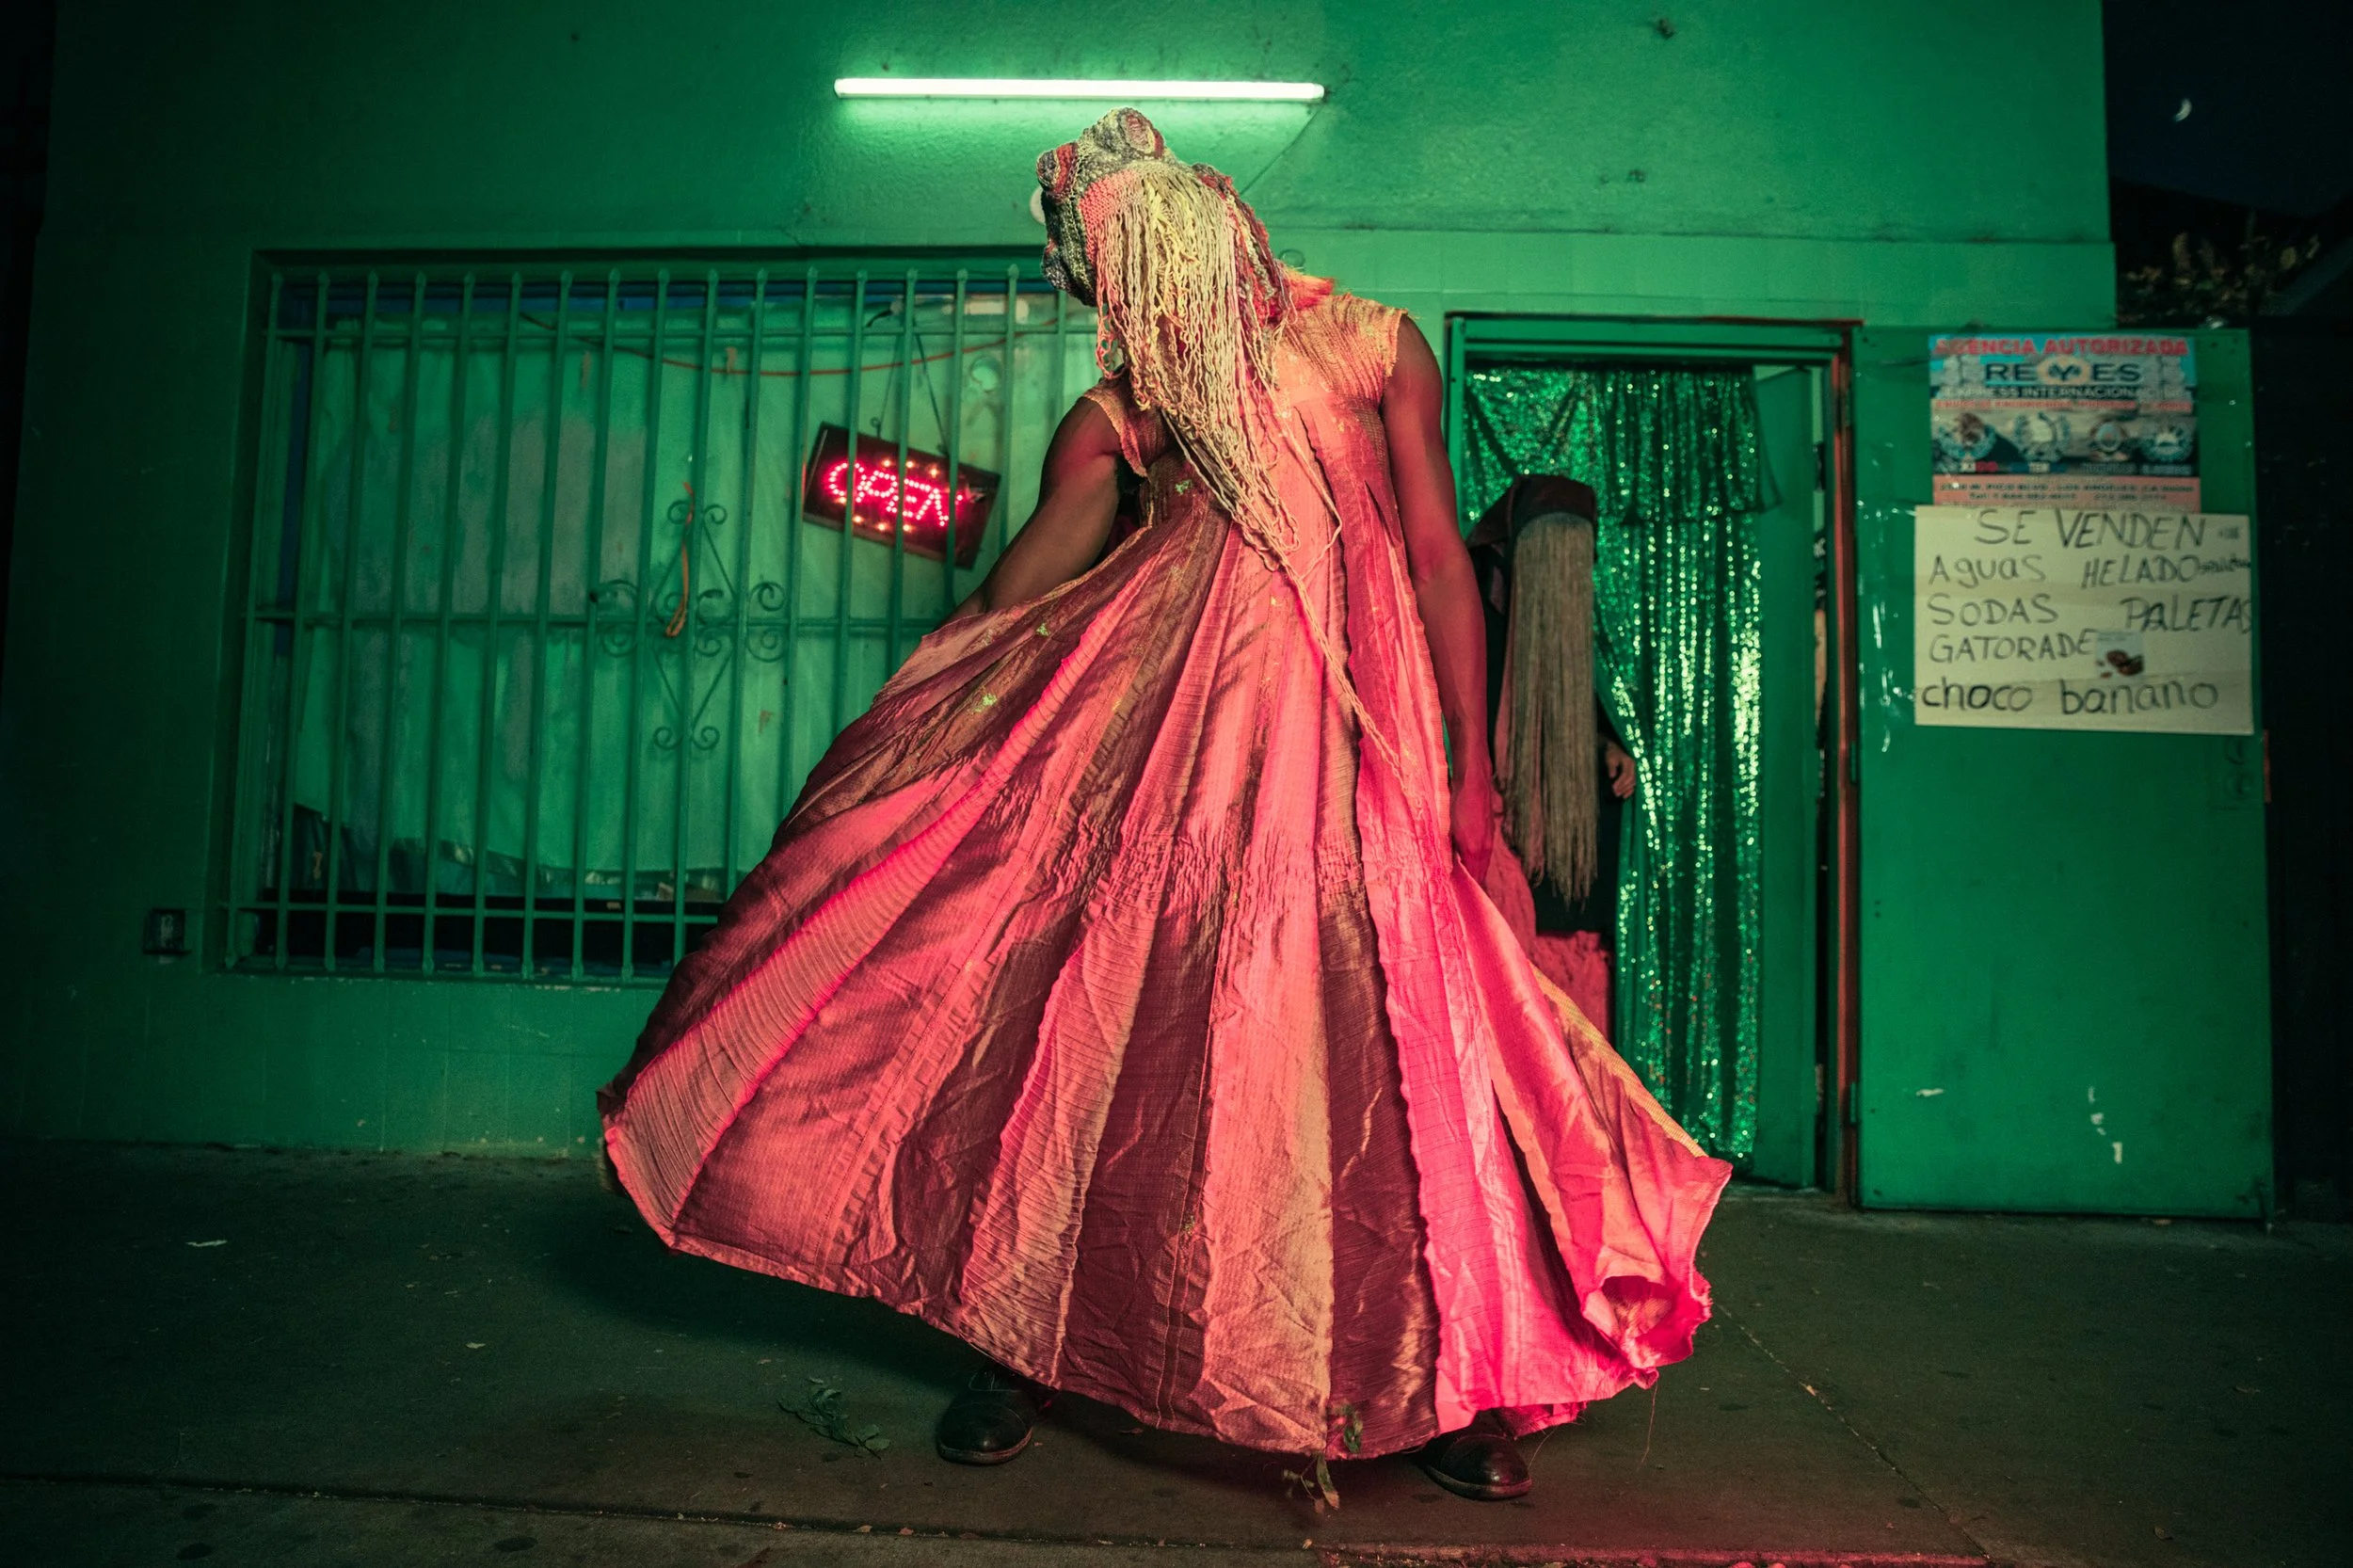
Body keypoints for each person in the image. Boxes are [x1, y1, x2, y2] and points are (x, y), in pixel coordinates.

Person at [598, 108, 1729, 1504]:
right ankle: (1020, 1344)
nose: (1112, 304)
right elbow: (1022, 590)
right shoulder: (1130, 409)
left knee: (1398, 1050)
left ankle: (1452, 1381)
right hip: (1158, 774)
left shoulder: (1373, 344)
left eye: (1118, 273)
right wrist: (938, 704)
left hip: (1358, 767)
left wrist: (1470, 768)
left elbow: (1438, 557)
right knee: (1085, 1039)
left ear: (1196, 237)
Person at [1467, 477, 1638, 1033]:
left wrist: (1606, 745)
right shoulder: (1476, 614)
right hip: (1506, 886)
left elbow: (1565, 704)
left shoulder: (1583, 654)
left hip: (1574, 919)